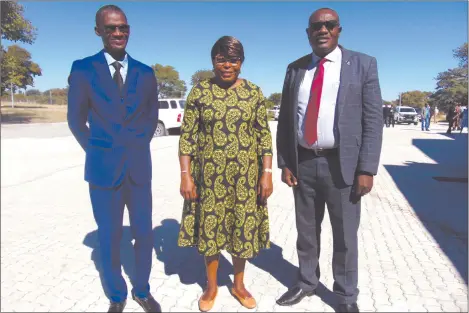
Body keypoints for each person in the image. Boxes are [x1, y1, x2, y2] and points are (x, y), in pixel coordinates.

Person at [275, 8, 383, 313]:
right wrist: (285, 162)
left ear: (338, 30)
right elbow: (286, 119)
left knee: (345, 236)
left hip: (343, 167)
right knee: (306, 231)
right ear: (308, 33)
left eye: (329, 25)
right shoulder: (295, 69)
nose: (323, 29)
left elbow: (373, 121)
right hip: (304, 163)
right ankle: (306, 282)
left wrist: (366, 168)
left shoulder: (363, 65)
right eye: (316, 26)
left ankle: (347, 295)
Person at [67, 5, 161, 313]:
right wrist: (96, 150)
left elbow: (150, 118)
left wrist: (135, 144)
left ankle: (142, 290)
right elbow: (76, 120)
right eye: (110, 28)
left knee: (144, 234)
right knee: (108, 237)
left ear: (129, 29)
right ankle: (117, 295)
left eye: (122, 27)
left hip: (138, 169)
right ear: (99, 31)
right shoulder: (82, 69)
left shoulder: (146, 73)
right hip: (102, 170)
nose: (118, 33)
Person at [177, 36, 273, 312]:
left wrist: (266, 173)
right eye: (221, 59)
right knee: (211, 229)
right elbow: (187, 138)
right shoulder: (199, 92)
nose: (227, 65)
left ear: (241, 63)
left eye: (233, 59)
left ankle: (239, 284)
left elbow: (263, 136)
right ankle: (211, 286)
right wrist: (186, 175)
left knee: (241, 228)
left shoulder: (254, 93)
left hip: (245, 178)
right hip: (208, 178)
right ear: (213, 61)